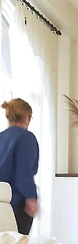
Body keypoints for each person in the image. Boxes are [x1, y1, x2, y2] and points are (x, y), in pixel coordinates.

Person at [0, 98, 39, 235]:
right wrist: (31, 197)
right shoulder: (26, 137)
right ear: (26, 117)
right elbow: (23, 172)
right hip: (17, 202)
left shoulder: (1, 137)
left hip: (2, 202)